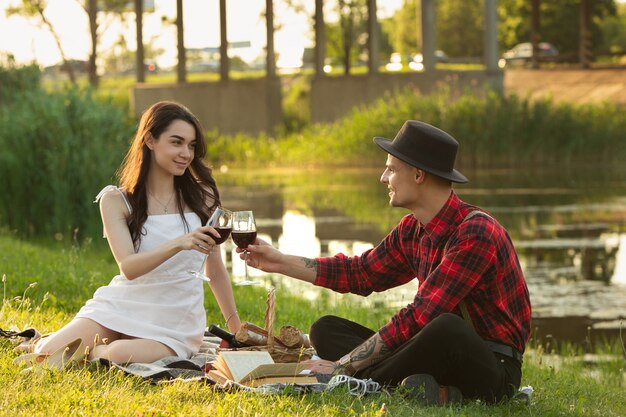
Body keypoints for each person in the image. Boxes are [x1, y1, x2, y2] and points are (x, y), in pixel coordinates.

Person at [242, 120, 532, 405]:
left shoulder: (476, 233)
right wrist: (279, 261)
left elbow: (422, 315)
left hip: (492, 368)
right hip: (433, 351)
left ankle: (363, 382)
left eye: (391, 169)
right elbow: (360, 273)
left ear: (418, 175)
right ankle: (425, 389)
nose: (383, 178)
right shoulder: (412, 229)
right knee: (325, 330)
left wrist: (343, 365)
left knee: (446, 327)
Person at [33, 101, 241, 364]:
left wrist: (236, 329)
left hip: (174, 319)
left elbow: (215, 271)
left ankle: (93, 351)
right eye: (176, 142)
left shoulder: (204, 197)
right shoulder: (116, 200)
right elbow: (129, 268)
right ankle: (52, 342)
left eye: (191, 145)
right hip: (122, 305)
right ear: (150, 140)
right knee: (46, 355)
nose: (186, 153)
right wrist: (180, 243)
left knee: (117, 354)